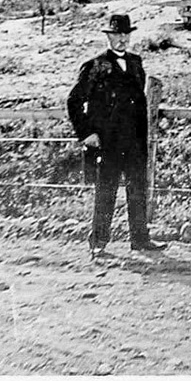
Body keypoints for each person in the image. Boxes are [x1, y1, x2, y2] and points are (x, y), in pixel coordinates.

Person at [67, 13, 164, 256]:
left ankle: (140, 239)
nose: (122, 39)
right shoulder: (95, 65)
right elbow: (74, 100)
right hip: (107, 141)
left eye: (125, 35)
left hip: (134, 141)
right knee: (106, 191)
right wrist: (87, 132)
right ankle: (98, 242)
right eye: (117, 35)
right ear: (109, 37)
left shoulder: (136, 62)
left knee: (137, 190)